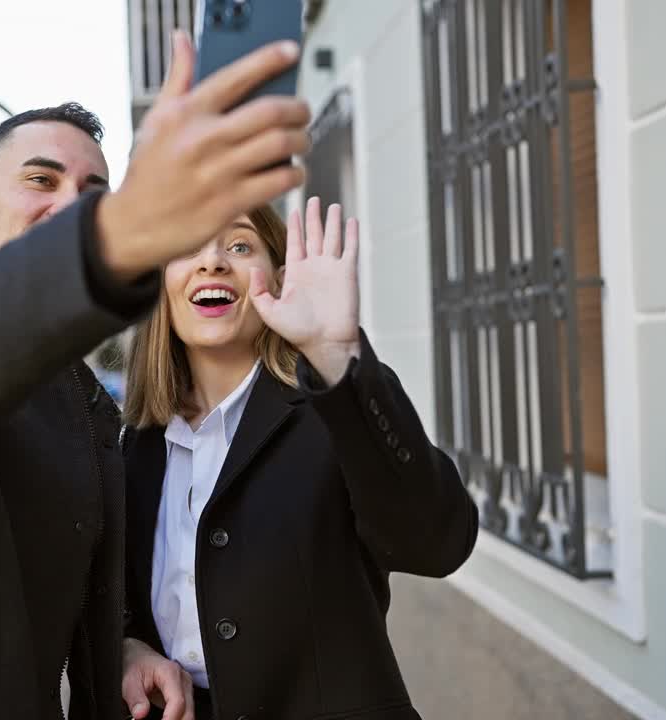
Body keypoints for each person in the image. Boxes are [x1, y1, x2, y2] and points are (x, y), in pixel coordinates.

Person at [0, 32, 310, 720]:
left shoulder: (93, 408)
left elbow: (76, 601)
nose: (71, 203)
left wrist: (122, 649)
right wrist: (116, 230)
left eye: (93, 193)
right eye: (41, 180)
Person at [118, 198, 479, 720]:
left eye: (239, 245)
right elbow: (110, 602)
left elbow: (438, 544)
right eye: (185, 247)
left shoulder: (336, 408)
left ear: (280, 279)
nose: (212, 261)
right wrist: (129, 646)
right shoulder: (134, 447)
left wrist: (335, 354)